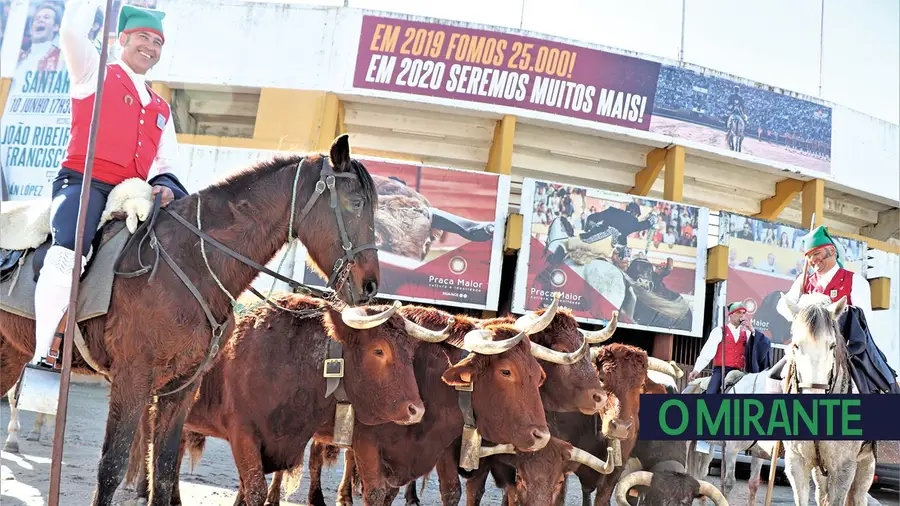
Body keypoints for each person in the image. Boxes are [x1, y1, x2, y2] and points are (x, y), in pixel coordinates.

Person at [31, 0, 188, 369]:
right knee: (67, 251)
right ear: (122, 38)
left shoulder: (162, 108)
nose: (150, 46)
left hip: (132, 190)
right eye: (142, 37)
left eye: (157, 42)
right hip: (83, 181)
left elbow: (167, 164)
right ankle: (43, 353)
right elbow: (71, 32)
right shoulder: (94, 72)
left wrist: (165, 184)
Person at [781, 224, 871, 320]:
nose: (813, 260)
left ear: (832, 251)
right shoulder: (804, 282)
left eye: (816, 253)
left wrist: (831, 308)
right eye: (809, 256)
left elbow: (864, 317)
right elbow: (783, 308)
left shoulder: (855, 280)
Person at [688, 302, 771, 394]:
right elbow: (707, 353)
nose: (742, 316)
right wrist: (696, 369)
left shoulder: (747, 334)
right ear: (730, 315)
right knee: (711, 394)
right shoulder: (719, 331)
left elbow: (764, 343)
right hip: (721, 372)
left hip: (739, 372)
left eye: (743, 313)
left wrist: (752, 330)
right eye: (738, 312)